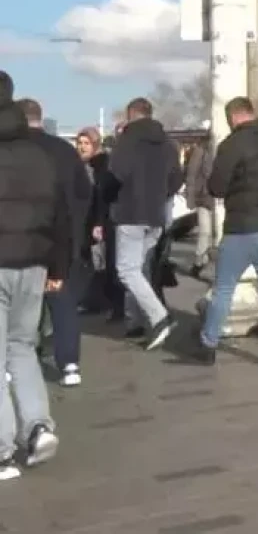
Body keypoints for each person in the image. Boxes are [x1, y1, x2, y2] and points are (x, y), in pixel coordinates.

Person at [0, 72, 68, 477]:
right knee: (23, 347)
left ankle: (4, 450)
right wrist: (57, 268)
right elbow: (60, 215)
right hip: (35, 263)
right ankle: (38, 425)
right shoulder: (41, 155)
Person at [196, 97, 258, 370]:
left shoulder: (232, 145)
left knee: (224, 289)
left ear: (233, 117)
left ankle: (209, 344)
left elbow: (217, 186)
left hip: (242, 226)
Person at [16, 100, 91, 388]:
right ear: (40, 118)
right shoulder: (65, 150)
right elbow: (85, 192)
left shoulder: (14, 151)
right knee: (63, 303)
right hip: (65, 237)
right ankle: (69, 363)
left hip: (24, 239)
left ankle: (19, 360)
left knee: (22, 304)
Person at [106, 97, 183, 350]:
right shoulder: (168, 145)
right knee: (140, 270)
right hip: (155, 214)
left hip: (130, 212)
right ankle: (140, 322)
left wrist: (109, 200)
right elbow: (176, 180)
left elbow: (115, 175)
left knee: (127, 270)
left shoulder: (128, 141)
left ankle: (159, 318)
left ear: (131, 115)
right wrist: (162, 197)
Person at [76, 128, 124, 320]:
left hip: (101, 220)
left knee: (104, 263)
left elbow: (102, 196)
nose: (81, 147)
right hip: (87, 220)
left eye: (86, 143)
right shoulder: (80, 165)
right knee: (93, 263)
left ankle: (111, 304)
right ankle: (95, 300)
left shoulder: (101, 165)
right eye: (79, 143)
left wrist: (98, 223)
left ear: (95, 145)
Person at [184, 121, 216, 279]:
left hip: (221, 198)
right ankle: (199, 260)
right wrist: (190, 197)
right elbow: (191, 174)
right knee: (205, 231)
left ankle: (207, 259)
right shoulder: (201, 150)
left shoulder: (224, 149)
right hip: (205, 197)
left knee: (216, 232)